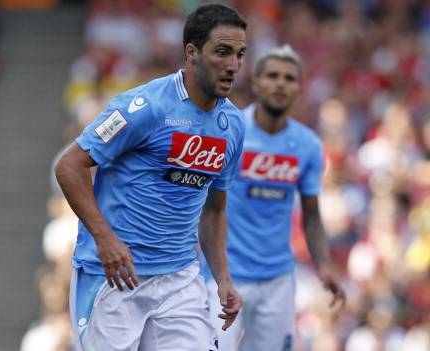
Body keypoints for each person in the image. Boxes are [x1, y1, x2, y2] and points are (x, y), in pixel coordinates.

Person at [54, 4, 247, 351]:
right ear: (192, 52)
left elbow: (215, 209)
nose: (233, 65)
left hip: (179, 280)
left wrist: (223, 278)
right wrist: (105, 239)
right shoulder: (144, 107)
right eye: (222, 52)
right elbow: (70, 166)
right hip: (116, 279)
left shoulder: (232, 125)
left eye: (239, 54)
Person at [202, 45, 346, 351]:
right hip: (223, 275)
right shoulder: (230, 131)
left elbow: (311, 215)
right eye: (272, 76)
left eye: (289, 78)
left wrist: (324, 265)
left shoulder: (307, 145)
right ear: (255, 82)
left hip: (277, 279)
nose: (281, 83)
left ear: (298, 88)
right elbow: (206, 205)